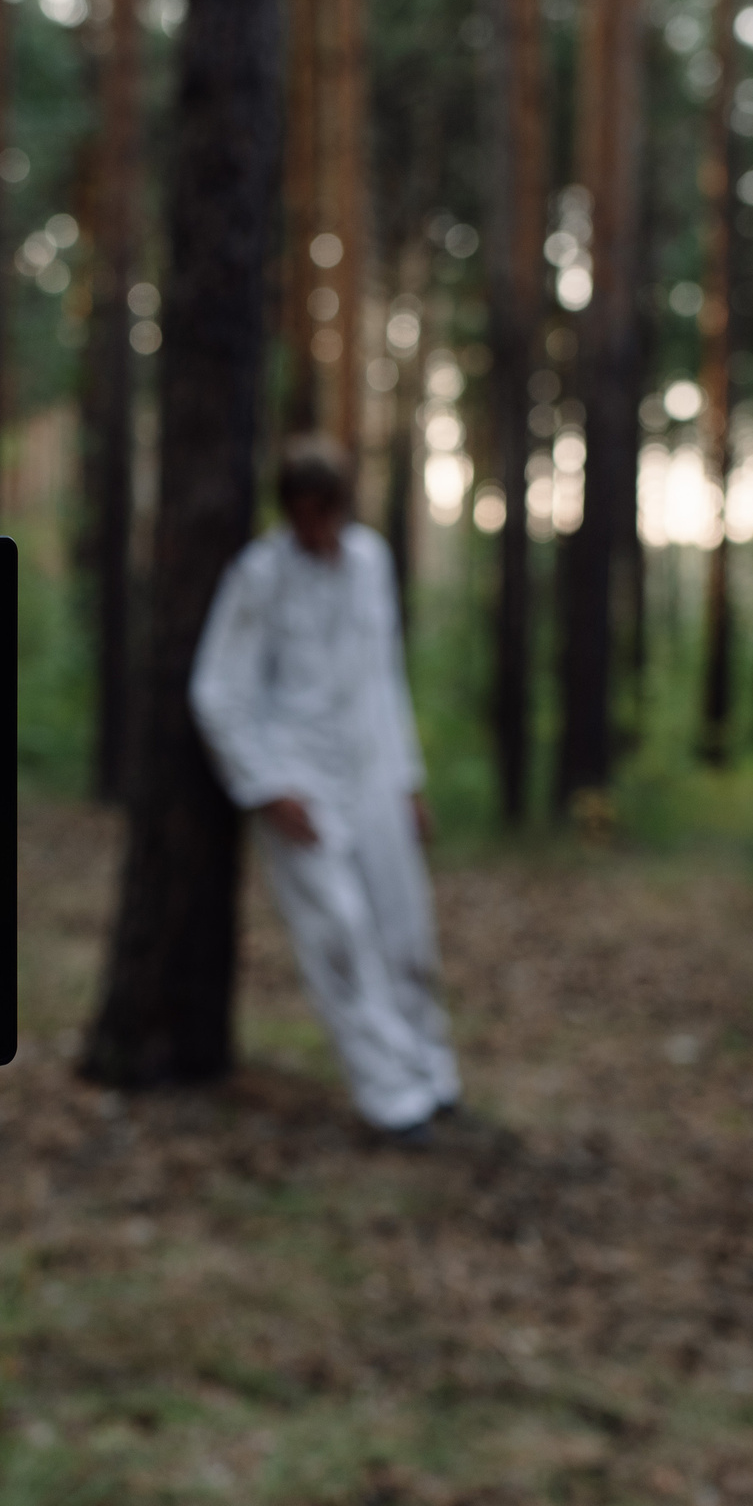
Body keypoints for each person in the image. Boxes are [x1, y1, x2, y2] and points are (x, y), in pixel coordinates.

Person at [191, 435, 460, 1142]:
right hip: (298, 782)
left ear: (342, 507)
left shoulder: (370, 562)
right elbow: (217, 688)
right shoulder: (260, 574)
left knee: (404, 926)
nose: (315, 527)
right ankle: (391, 1097)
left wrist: (408, 780)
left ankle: (431, 1069)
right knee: (339, 933)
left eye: (325, 511)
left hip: (373, 774)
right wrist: (264, 784)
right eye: (301, 513)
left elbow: (385, 678)